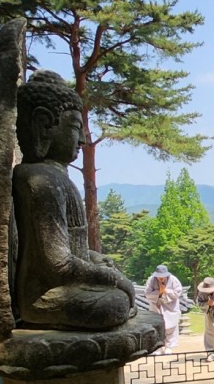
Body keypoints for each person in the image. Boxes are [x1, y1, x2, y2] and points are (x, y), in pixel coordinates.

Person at [12, 70, 135, 330]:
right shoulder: (40, 180)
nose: (82, 140)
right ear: (44, 126)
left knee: (116, 300)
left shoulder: (56, 177)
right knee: (114, 304)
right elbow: (57, 263)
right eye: (75, 128)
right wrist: (111, 277)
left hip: (66, 284)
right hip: (45, 295)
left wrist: (93, 258)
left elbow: (69, 252)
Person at [144, 264, 183, 354]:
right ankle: (157, 347)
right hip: (156, 306)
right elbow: (147, 293)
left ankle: (169, 346)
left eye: (163, 276)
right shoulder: (151, 280)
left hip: (170, 307)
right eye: (159, 277)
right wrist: (159, 292)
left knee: (171, 326)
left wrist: (166, 291)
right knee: (157, 326)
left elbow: (177, 292)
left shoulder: (173, 279)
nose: (161, 278)